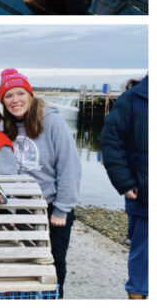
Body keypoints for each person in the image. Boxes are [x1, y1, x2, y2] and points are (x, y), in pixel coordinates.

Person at [0, 68, 80, 298]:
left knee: (53, 262)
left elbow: (70, 166)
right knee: (26, 261)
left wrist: (62, 209)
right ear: (3, 101)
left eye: (20, 93)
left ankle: (54, 298)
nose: (15, 100)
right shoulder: (6, 126)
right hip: (22, 207)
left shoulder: (52, 122)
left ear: (30, 95)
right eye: (8, 96)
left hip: (52, 207)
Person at [101, 75, 148, 299]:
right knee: (142, 260)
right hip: (144, 195)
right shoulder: (133, 99)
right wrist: (125, 183)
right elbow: (111, 141)